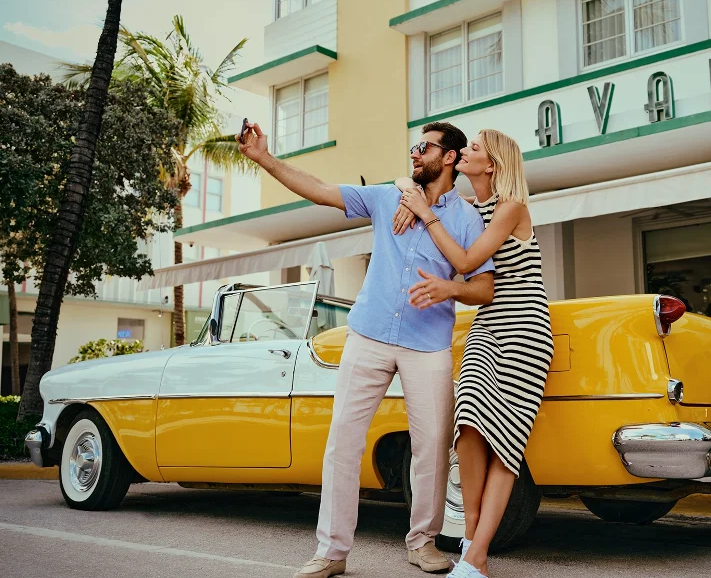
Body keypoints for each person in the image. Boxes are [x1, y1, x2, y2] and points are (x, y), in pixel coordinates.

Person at [236, 121, 495, 578]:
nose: (414, 154)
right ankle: (332, 552)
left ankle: (423, 542)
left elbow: (483, 289)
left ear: (450, 157)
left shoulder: (468, 219)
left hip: (427, 345)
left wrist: (447, 289)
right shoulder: (386, 197)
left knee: (431, 447)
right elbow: (319, 190)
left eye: (425, 148)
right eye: (413, 147)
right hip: (369, 336)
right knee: (343, 444)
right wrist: (264, 159)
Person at [393, 129, 554, 578]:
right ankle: (472, 536)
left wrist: (424, 213)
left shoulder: (511, 208)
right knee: (467, 426)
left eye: (475, 149)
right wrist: (411, 193)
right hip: (487, 327)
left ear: (494, 166)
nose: (464, 152)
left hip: (524, 329)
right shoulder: (469, 210)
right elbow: (406, 179)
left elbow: (465, 265)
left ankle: (478, 554)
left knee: (506, 442)